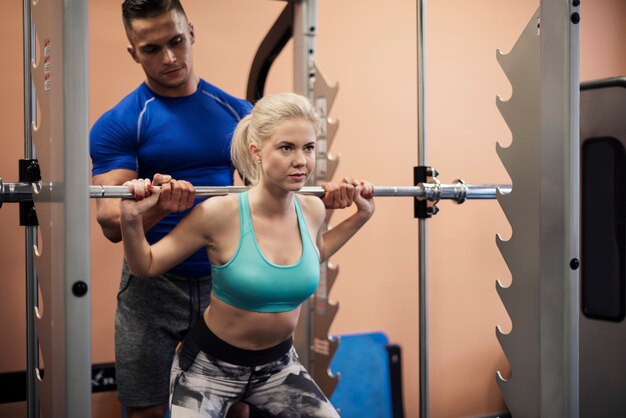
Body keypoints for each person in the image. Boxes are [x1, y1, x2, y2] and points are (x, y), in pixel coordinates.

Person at [119, 92, 375, 417]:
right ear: (256, 152)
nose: (301, 160)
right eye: (286, 147)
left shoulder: (311, 209)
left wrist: (360, 216)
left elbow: (313, 253)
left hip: (279, 367)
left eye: (308, 148)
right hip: (209, 369)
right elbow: (147, 265)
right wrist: (131, 219)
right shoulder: (219, 213)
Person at [89, 1, 254, 417]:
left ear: (192, 33)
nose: (168, 58)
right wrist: (160, 208)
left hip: (225, 276)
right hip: (153, 283)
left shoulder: (239, 114)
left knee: (233, 408)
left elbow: (269, 199)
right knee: (145, 407)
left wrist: (336, 199)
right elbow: (110, 223)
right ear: (133, 52)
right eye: (151, 49)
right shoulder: (120, 123)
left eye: (176, 41)